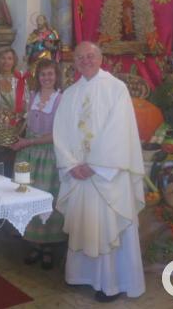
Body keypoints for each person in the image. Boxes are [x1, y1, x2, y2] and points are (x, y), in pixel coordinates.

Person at [52, 42, 145, 302]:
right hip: (79, 175)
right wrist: (71, 165)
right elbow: (60, 132)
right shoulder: (70, 93)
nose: (85, 60)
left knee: (107, 225)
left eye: (90, 56)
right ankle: (82, 276)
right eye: (80, 57)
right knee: (85, 222)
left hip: (107, 174)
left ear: (101, 58)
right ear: (75, 62)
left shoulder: (116, 89)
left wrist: (95, 165)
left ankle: (111, 283)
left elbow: (120, 130)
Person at [9, 59, 67, 270]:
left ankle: (49, 247)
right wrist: (15, 137)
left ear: (56, 76)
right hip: (28, 155)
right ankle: (34, 243)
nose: (46, 78)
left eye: (50, 74)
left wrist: (29, 141)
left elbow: (58, 134)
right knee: (28, 199)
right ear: (38, 77)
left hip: (47, 154)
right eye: (43, 74)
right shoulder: (32, 97)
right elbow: (24, 124)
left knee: (46, 199)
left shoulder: (60, 99)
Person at [0, 47, 27, 176]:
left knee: (12, 166)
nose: (6, 61)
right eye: (3, 58)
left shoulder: (21, 81)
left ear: (14, 61)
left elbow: (26, 103)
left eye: (9, 58)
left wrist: (20, 122)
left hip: (17, 129)